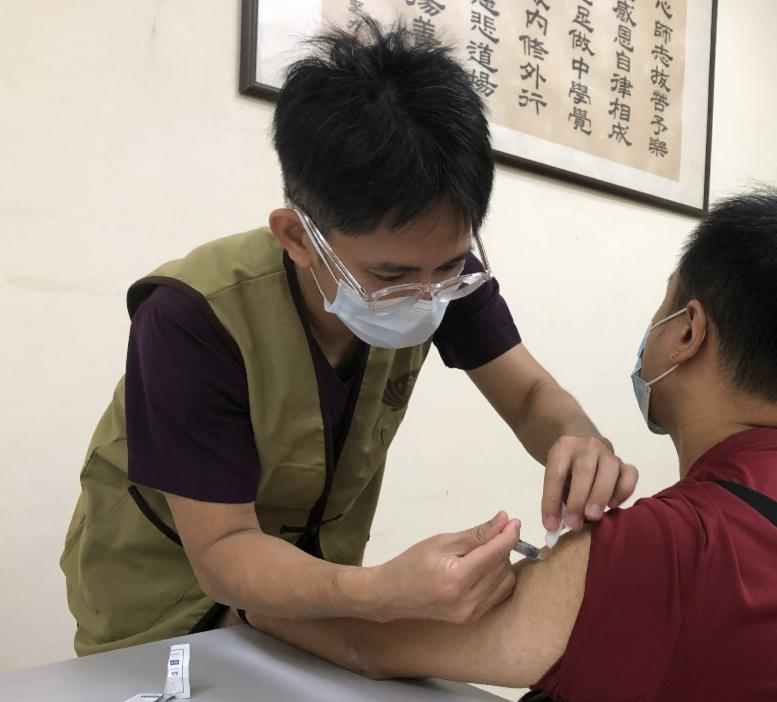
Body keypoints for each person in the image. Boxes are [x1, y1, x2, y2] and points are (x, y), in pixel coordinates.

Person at [246, 189, 777, 702]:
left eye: (664, 304)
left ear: (686, 332)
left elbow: (366, 643)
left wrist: (245, 600)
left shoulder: (662, 550)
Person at [60, 21, 637, 656]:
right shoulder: (190, 317)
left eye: (450, 265)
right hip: (167, 592)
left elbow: (528, 395)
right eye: (390, 277)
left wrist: (576, 438)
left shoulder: (441, 276)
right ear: (297, 237)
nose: (427, 295)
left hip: (314, 581)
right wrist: (381, 593)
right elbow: (223, 550)